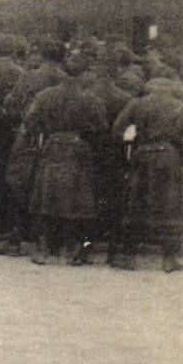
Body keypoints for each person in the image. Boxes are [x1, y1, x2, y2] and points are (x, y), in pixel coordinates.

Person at [16, 52, 109, 266]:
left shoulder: (45, 95)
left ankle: (44, 249)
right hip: (79, 149)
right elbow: (101, 128)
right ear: (85, 74)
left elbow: (29, 123)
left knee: (46, 197)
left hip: (53, 147)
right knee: (79, 199)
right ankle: (75, 249)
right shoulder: (91, 98)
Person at [109, 79, 183, 271]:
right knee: (170, 205)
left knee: (135, 202)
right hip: (169, 157)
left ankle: (129, 256)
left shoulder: (136, 104)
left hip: (142, 155)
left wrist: (130, 146)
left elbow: (118, 129)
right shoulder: (182, 108)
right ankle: (169, 258)